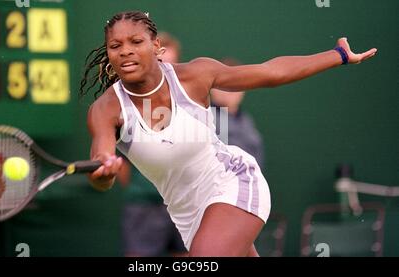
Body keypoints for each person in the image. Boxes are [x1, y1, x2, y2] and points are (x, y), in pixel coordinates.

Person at [79, 11, 376, 256]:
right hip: (188, 215)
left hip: (232, 182)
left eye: (136, 41)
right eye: (115, 46)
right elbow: (101, 166)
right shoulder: (105, 110)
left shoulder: (195, 75)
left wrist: (338, 55)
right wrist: (104, 173)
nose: (126, 51)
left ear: (157, 47)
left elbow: (270, 73)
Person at [118, 31, 187, 257]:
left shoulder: (191, 102)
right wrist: (147, 184)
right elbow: (118, 159)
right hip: (144, 207)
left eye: (172, 63)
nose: (166, 68)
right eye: (161, 62)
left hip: (185, 204)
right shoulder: (125, 103)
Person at [211, 58, 264, 169]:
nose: (231, 89)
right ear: (212, 88)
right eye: (225, 84)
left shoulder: (246, 120)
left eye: (237, 83)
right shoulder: (205, 118)